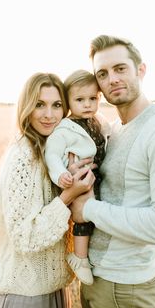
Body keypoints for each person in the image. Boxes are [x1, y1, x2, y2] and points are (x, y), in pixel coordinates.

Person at [70, 35, 155, 308]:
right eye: (102, 73)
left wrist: (88, 209)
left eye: (120, 68)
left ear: (141, 69)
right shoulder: (113, 130)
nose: (112, 78)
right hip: (96, 279)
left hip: (126, 287)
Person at [0, 72, 95, 308]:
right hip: (24, 298)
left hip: (51, 290)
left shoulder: (50, 150)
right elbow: (26, 237)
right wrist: (68, 196)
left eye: (57, 105)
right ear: (26, 108)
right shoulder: (23, 157)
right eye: (39, 105)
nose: (49, 115)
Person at [45, 69, 111, 286]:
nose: (88, 104)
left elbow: (110, 133)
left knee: (95, 214)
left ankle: (88, 254)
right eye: (80, 100)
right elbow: (52, 154)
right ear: (68, 101)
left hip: (95, 175)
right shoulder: (65, 129)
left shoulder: (97, 120)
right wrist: (61, 175)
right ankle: (80, 258)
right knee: (82, 215)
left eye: (93, 98)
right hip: (78, 179)